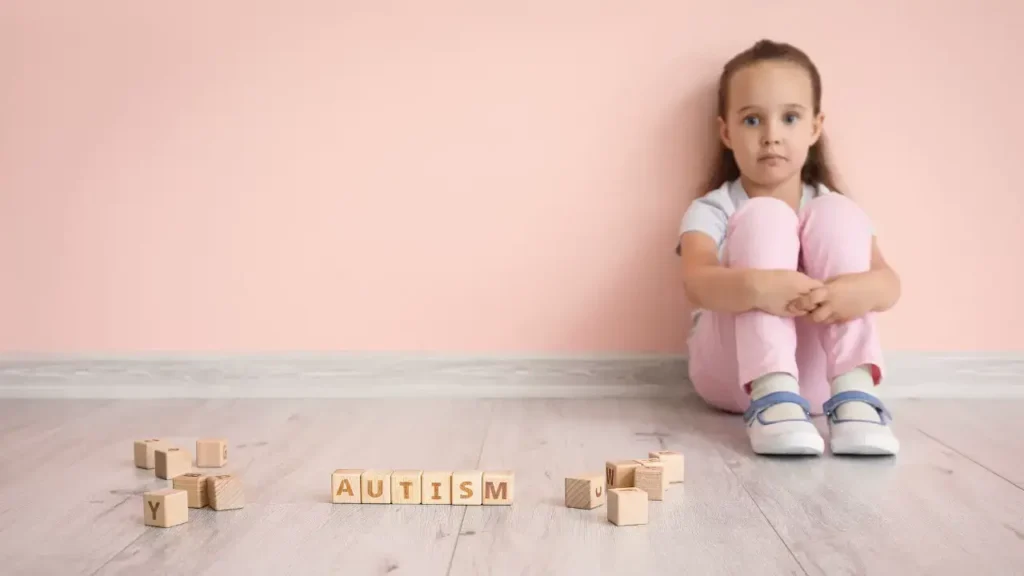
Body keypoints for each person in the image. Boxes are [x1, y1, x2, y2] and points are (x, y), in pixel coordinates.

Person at [676, 39, 901, 457]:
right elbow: (696, 283)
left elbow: (889, 284)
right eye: (752, 121)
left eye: (790, 118)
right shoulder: (713, 208)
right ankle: (771, 396)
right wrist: (760, 288)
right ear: (726, 131)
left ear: (815, 127)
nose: (772, 136)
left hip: (816, 386)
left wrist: (853, 293)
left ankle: (854, 397)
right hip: (731, 378)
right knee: (764, 216)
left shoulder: (832, 208)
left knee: (838, 209)